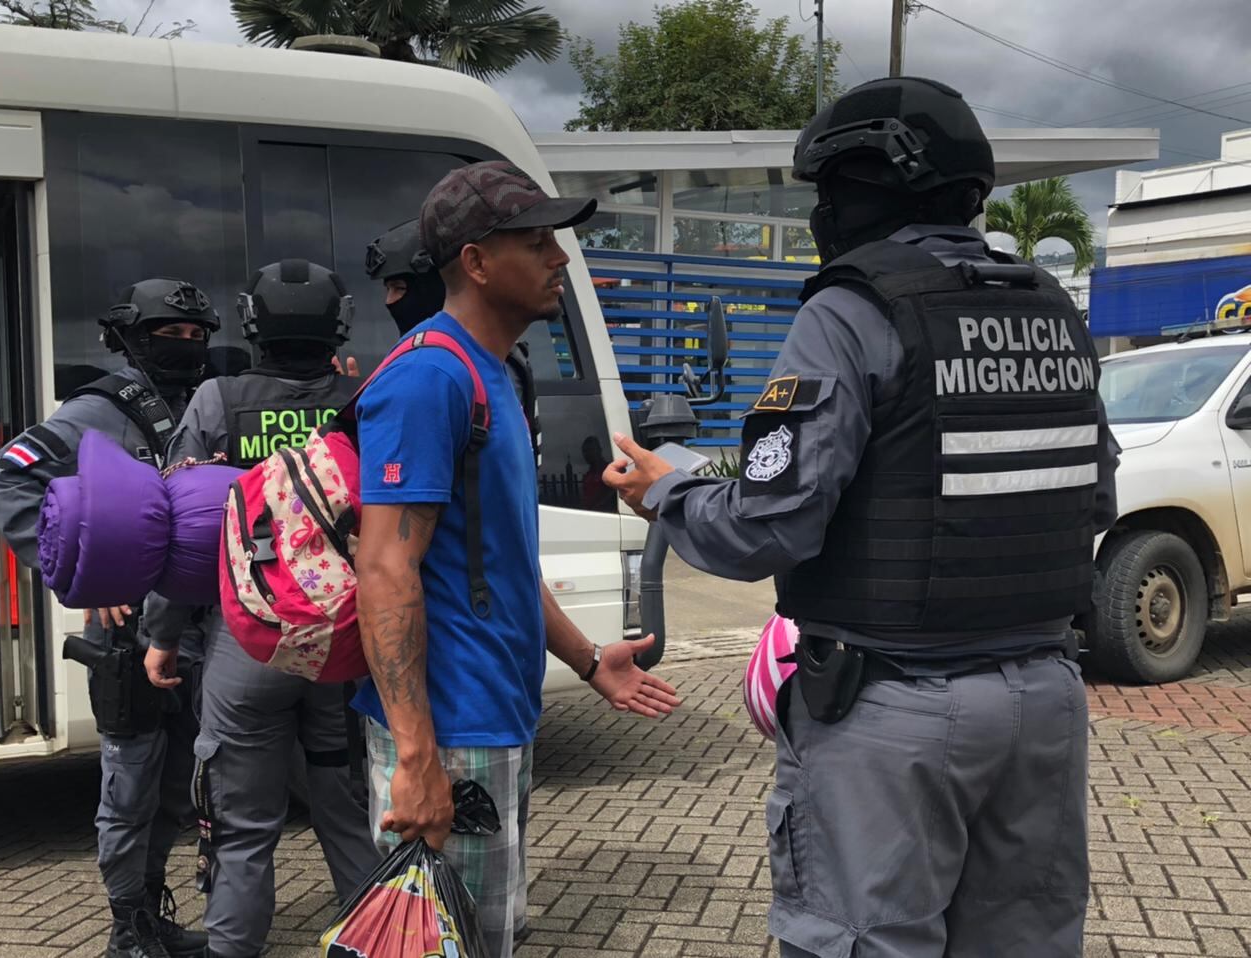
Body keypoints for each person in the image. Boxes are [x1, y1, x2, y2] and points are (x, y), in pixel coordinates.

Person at [605, 77, 1121, 958]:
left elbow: (768, 525)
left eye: (828, 192)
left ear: (866, 188)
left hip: (895, 707)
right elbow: (1093, 495)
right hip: (1045, 699)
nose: (821, 213)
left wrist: (667, 490)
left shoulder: (851, 310)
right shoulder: (1050, 311)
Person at [352, 161, 682, 958]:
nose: (559, 258)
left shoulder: (490, 374)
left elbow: (504, 560)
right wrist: (417, 756)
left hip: (494, 719)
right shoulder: (429, 377)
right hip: (450, 733)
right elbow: (385, 569)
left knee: (485, 940)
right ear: (474, 261)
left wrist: (587, 659)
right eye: (536, 243)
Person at [142, 260, 381, 958]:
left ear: (252, 324)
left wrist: (162, 635)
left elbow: (181, 529)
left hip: (245, 642)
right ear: (339, 323)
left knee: (242, 826)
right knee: (346, 810)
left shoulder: (216, 400)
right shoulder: (362, 398)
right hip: (343, 645)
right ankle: (379, 939)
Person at [0, 278, 219, 958]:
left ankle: (153, 909)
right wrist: (73, 569)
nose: (185, 346)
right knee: (130, 787)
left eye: (196, 335)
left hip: (199, 630)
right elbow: (7, 475)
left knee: (175, 789)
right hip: (126, 640)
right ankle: (127, 928)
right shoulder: (95, 410)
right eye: (169, 335)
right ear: (131, 339)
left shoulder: (209, 404)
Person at [366, 217, 543, 465]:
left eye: (399, 288)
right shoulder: (479, 357)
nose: (389, 301)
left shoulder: (471, 366)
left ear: (433, 288)